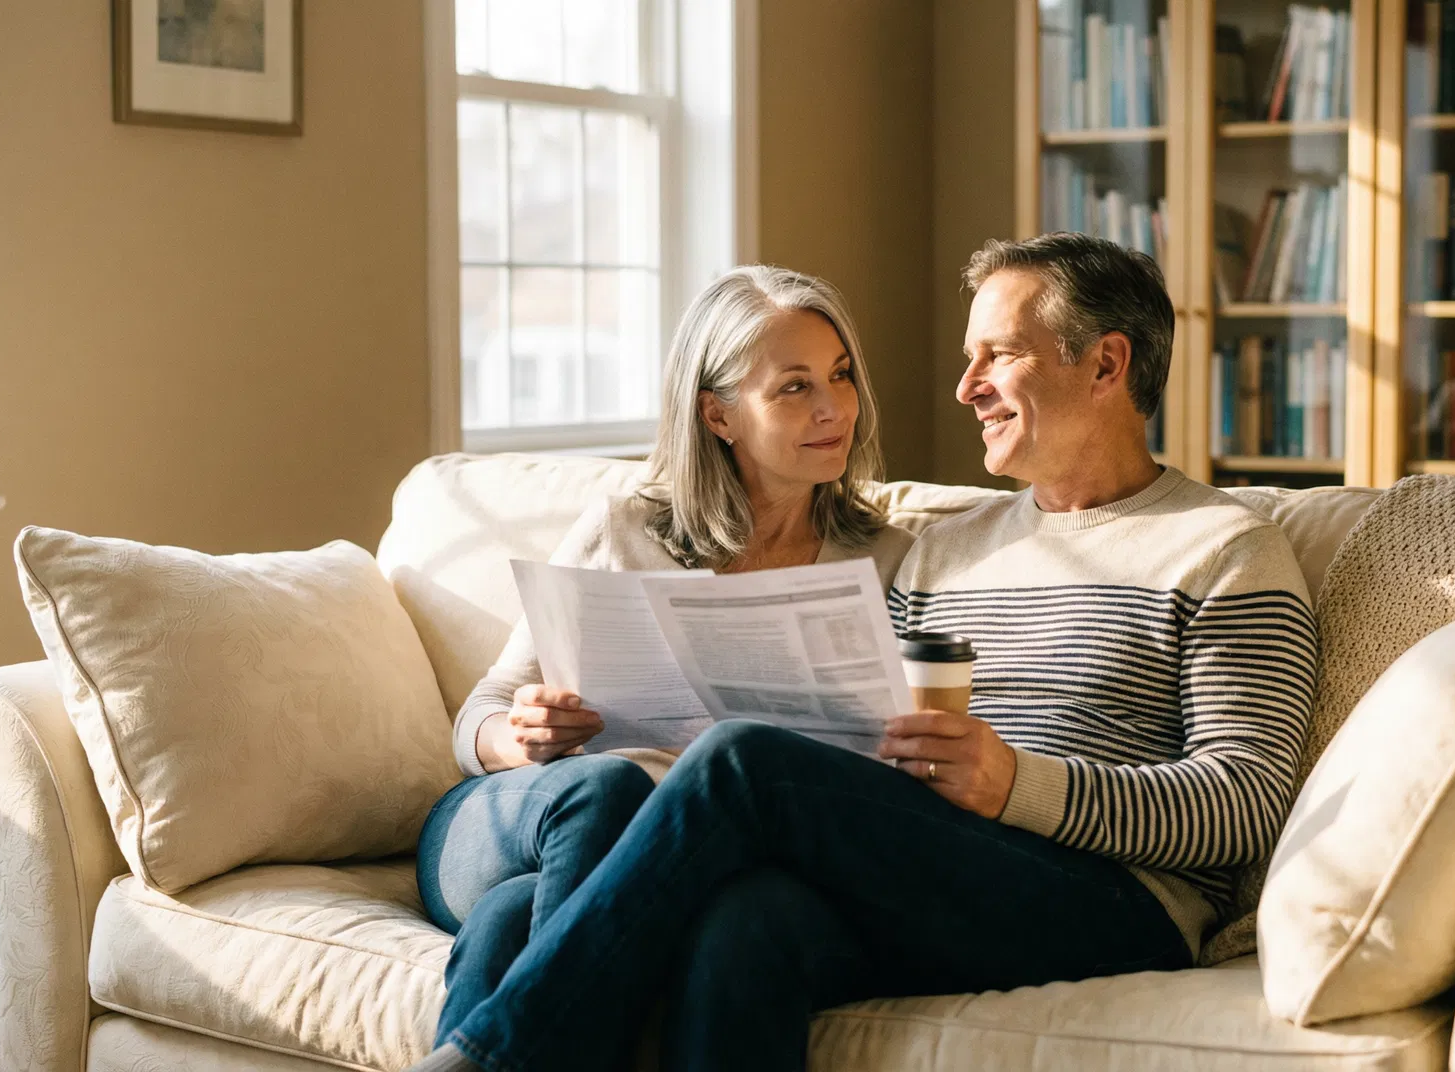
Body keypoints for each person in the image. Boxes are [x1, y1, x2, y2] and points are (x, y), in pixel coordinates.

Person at [409, 233, 1318, 1072]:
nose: (965, 387)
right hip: (945, 865)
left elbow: (1243, 806)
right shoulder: (950, 546)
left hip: (1120, 900)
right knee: (742, 923)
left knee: (748, 759)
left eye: (996, 355)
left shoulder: (1225, 551)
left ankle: (496, 1059)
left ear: (1106, 363)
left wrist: (1015, 784)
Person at [413, 265, 916, 1053]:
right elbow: (476, 717)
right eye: (793, 387)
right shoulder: (626, 527)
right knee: (605, 786)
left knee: (512, 921)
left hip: (685, 857)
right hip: (529, 815)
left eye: (841, 375)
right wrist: (522, 735)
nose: (833, 408)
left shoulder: (883, 558)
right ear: (717, 415)